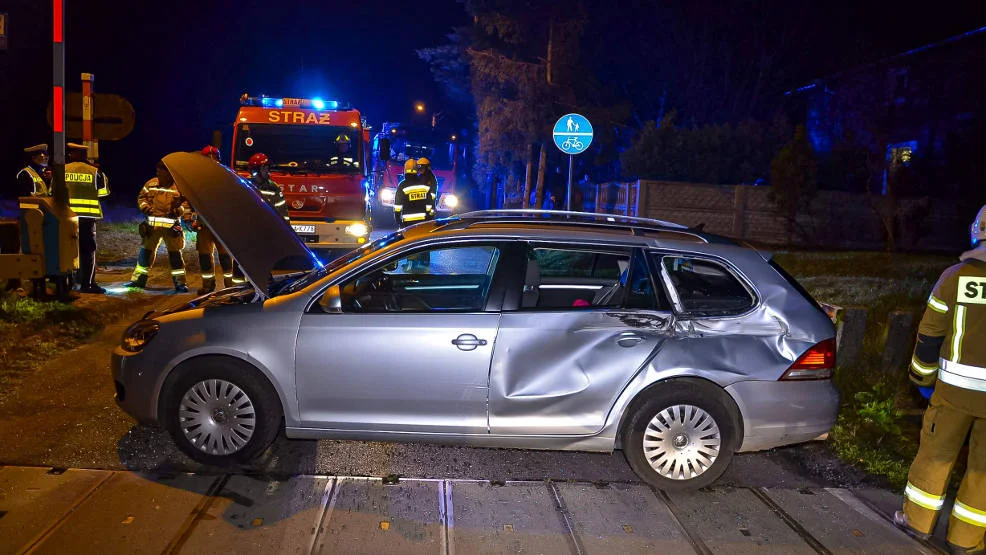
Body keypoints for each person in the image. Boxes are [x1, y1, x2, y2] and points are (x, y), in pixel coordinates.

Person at [895, 205, 986, 555]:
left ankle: (917, 522)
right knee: (982, 470)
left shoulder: (954, 278)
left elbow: (930, 334)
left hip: (953, 393)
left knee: (936, 456)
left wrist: (921, 376)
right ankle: (965, 540)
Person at [124, 160, 188, 292]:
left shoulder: (178, 186)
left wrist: (178, 210)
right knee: (145, 253)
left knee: (175, 255)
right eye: (157, 170)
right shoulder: (151, 183)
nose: (158, 173)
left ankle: (180, 284)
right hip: (152, 228)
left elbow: (186, 204)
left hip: (171, 228)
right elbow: (142, 198)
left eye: (161, 171)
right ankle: (137, 281)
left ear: (169, 173)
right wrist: (145, 208)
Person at [186, 146, 238, 294]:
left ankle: (230, 286)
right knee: (204, 257)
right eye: (206, 158)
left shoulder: (226, 176)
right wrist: (191, 218)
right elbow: (191, 200)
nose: (209, 161)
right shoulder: (196, 179)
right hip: (204, 225)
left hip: (222, 225)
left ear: (218, 159)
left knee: (226, 257)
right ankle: (208, 286)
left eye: (212, 157)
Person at [64, 143, 110, 293]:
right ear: (84, 155)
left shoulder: (62, 170)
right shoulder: (96, 172)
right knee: (88, 251)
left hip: (66, 218)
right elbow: (103, 194)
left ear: (72, 154)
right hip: (88, 218)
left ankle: (68, 283)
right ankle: (87, 284)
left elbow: (54, 192)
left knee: (67, 249)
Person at [394, 159, 436, 227]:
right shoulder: (424, 185)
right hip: (423, 222)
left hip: (407, 223)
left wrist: (398, 219)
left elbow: (398, 205)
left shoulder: (402, 186)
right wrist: (429, 217)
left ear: (405, 170)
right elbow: (430, 203)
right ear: (417, 170)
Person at [249, 153, 290, 223]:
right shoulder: (247, 186)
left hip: (269, 228)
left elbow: (283, 213)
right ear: (256, 170)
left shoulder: (273, 188)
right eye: (264, 168)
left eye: (268, 167)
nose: (267, 171)